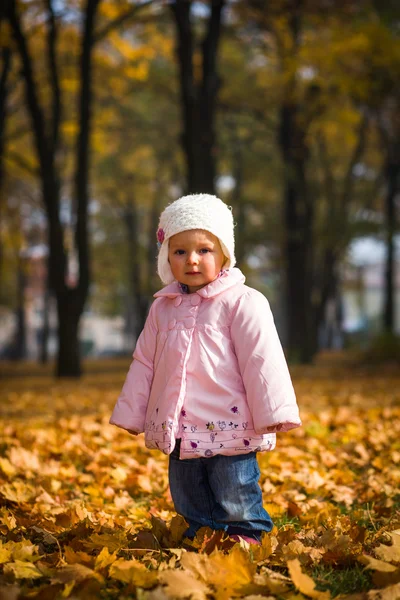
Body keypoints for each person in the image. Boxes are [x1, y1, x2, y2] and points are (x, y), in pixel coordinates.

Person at [110, 193, 301, 544]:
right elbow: (144, 363)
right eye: (180, 251)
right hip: (179, 425)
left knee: (235, 488)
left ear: (224, 254)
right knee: (187, 490)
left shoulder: (243, 302)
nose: (192, 260)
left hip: (232, 424)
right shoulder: (162, 309)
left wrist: (275, 412)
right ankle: (199, 533)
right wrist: (131, 413)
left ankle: (246, 535)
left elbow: (263, 359)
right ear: (167, 256)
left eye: (204, 250)